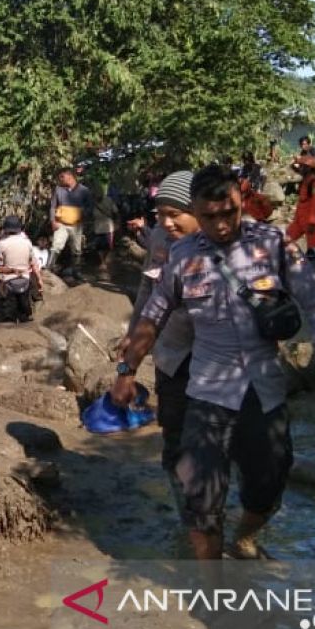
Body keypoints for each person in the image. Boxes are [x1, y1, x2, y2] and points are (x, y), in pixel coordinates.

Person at [114, 164, 315, 561]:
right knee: (200, 493)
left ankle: (245, 536)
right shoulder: (182, 257)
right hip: (206, 392)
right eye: (209, 217)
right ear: (197, 213)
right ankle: (213, 585)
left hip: (263, 391)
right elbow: (153, 316)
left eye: (229, 213)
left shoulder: (272, 245)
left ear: (241, 199)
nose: (220, 225)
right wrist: (126, 372)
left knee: (269, 481)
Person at [116, 171, 198, 521]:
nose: (165, 223)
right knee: (176, 438)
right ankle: (192, 520)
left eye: (174, 214)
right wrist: (132, 339)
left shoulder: (229, 242)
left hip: (223, 360)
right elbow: (148, 292)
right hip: (172, 356)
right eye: (160, 214)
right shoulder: (161, 241)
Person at [49, 167, 92, 280]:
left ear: (70, 176)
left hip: (76, 225)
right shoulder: (58, 189)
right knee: (56, 245)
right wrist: (53, 221)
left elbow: (90, 208)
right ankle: (49, 268)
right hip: (61, 223)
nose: (60, 179)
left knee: (77, 249)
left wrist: (82, 215)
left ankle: (76, 272)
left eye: (62, 177)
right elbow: (53, 206)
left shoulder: (84, 190)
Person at [286, 154, 315, 259]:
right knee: (286, 238)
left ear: (308, 168)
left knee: (314, 249)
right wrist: (296, 160)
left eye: (302, 166)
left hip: (311, 220)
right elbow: (293, 167)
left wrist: (313, 221)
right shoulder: (306, 179)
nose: (300, 168)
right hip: (300, 218)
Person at [0, 215, 37, 323]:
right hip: (25, 278)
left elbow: (0, 263)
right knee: (25, 308)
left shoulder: (2, 243)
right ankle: (27, 318)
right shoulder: (27, 242)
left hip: (9, 279)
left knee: (9, 310)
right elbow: (31, 260)